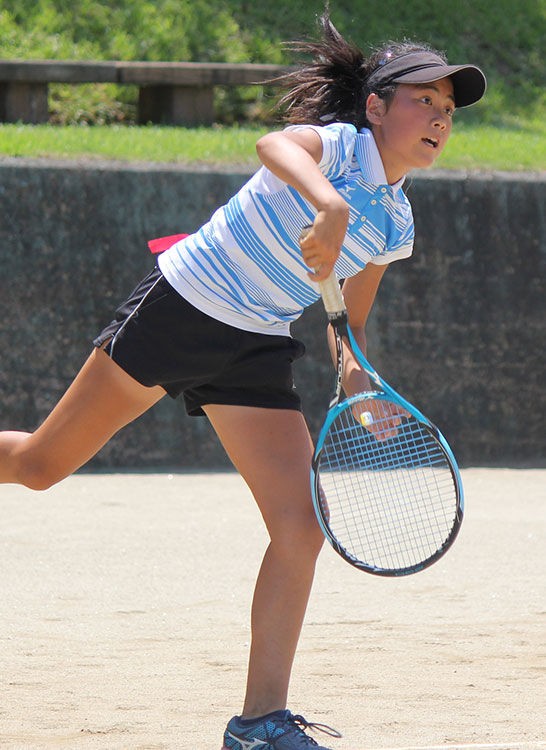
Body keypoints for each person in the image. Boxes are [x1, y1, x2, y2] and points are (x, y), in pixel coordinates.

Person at [0, 10, 486, 750]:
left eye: (448, 110)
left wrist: (354, 375)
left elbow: (346, 319)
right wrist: (327, 202)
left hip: (254, 345)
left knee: (301, 527)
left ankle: (259, 722)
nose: (440, 119)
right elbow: (272, 145)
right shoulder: (339, 147)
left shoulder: (395, 220)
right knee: (37, 466)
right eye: (425, 100)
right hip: (186, 307)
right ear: (378, 107)